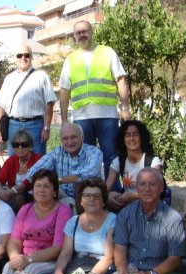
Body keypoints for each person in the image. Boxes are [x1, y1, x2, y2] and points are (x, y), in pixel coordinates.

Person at [59, 20, 130, 185]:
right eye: (78, 33)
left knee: (111, 156)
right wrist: (63, 120)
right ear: (74, 37)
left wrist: (125, 107)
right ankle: (88, 194)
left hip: (107, 115)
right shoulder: (70, 60)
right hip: (81, 117)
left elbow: (120, 80)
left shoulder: (108, 52)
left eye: (85, 31)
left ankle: (113, 193)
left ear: (91, 32)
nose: (82, 35)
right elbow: (64, 91)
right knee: (84, 159)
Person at [13, 122, 103, 200]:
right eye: (65, 138)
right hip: (62, 198)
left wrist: (59, 180)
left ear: (82, 137)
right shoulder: (57, 152)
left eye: (73, 137)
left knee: (81, 185)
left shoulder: (94, 152)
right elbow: (34, 171)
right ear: (61, 140)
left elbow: (90, 173)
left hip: (88, 198)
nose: (70, 142)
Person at [0, 44, 56, 155]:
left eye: (26, 55)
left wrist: (46, 128)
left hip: (36, 126)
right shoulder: (9, 78)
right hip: (13, 125)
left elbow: (50, 104)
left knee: (38, 162)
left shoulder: (42, 76)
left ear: (32, 57)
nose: (23, 58)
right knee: (14, 162)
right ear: (16, 58)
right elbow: (1, 107)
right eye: (20, 55)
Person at [106, 120, 162, 211]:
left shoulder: (153, 162)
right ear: (123, 139)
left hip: (148, 207)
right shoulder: (118, 161)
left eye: (135, 135)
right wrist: (107, 197)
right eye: (127, 135)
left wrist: (130, 196)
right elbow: (106, 188)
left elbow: (155, 191)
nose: (131, 138)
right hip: (126, 208)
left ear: (142, 137)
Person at [0, 129, 41, 212]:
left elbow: (29, 182)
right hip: (11, 193)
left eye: (24, 144)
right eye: (16, 145)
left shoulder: (38, 159)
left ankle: (22, 219)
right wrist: (0, 191)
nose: (20, 147)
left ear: (30, 146)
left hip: (34, 194)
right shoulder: (11, 160)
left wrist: (12, 191)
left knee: (18, 195)